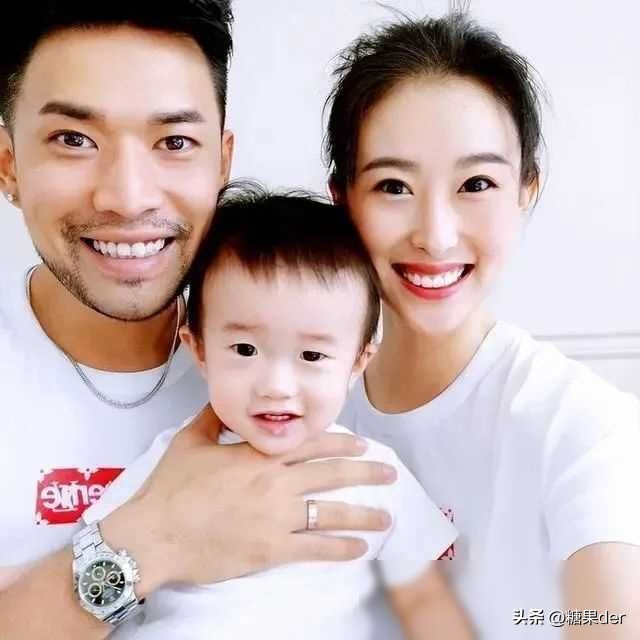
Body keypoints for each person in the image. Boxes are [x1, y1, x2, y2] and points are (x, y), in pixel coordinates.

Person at [0, 3, 396, 638]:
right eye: (74, 139)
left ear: (222, 161)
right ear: (9, 163)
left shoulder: (323, 367)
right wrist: (153, 541)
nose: (128, 197)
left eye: (174, 142)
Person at [324, 12, 640, 639]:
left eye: (476, 183)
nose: (436, 234)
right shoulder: (298, 415)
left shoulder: (583, 429)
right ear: (343, 200)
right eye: (393, 186)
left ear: (526, 191)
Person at [82, 185, 473, 640]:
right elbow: (98, 561)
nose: (276, 386)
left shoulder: (373, 472)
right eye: (245, 349)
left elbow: (423, 598)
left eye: (312, 356)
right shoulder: (172, 463)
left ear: (357, 362)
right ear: (199, 349)